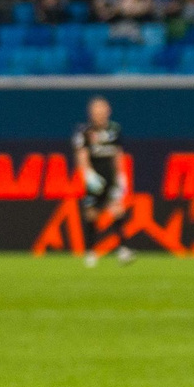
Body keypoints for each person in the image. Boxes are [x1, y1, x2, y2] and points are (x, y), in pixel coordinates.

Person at [73, 93, 132, 265]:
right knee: (92, 215)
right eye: (95, 110)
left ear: (108, 110)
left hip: (111, 177)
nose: (98, 113)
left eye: (101, 110)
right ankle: (90, 252)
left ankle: (123, 249)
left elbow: (118, 154)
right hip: (95, 179)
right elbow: (81, 154)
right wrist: (88, 174)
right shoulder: (84, 131)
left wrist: (121, 175)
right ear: (90, 112)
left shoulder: (114, 130)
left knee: (117, 210)